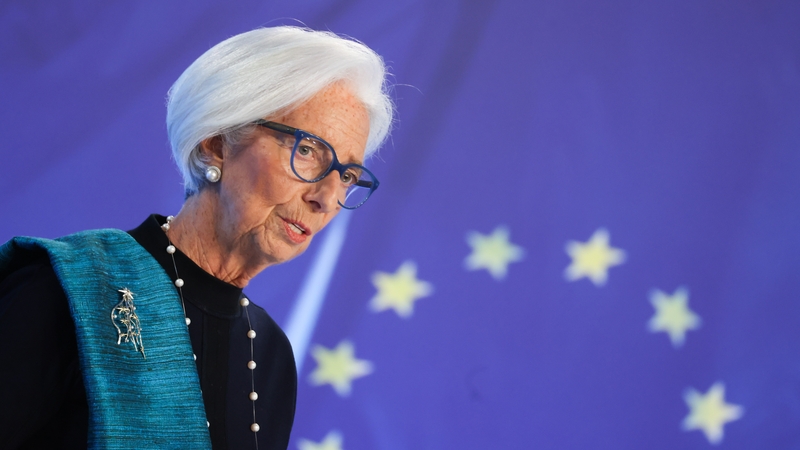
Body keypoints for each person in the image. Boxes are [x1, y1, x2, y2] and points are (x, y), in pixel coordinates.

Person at [0, 26, 393, 449]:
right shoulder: (68, 291)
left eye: (347, 176)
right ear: (216, 145)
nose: (326, 197)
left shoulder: (271, 353)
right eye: (307, 150)